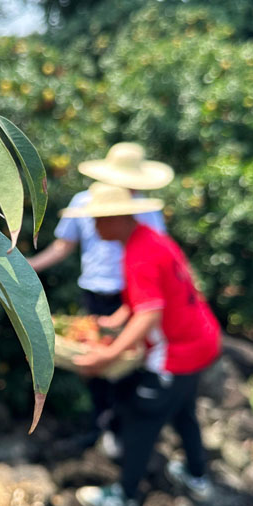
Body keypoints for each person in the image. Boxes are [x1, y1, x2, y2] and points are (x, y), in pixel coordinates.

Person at [62, 183, 221, 506]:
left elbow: (151, 313)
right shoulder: (149, 237)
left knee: (139, 417)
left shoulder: (139, 254)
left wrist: (108, 355)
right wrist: (115, 320)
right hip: (202, 337)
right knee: (184, 412)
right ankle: (197, 476)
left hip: (178, 351)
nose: (94, 227)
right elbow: (151, 296)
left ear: (119, 218)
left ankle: (126, 496)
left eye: (99, 220)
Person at [29, 142, 174, 452]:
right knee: (93, 363)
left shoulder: (144, 210)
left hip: (132, 299)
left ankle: (124, 431)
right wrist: (26, 269)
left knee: (126, 365)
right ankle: (102, 426)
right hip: (95, 296)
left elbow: (159, 257)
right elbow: (63, 246)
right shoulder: (85, 203)